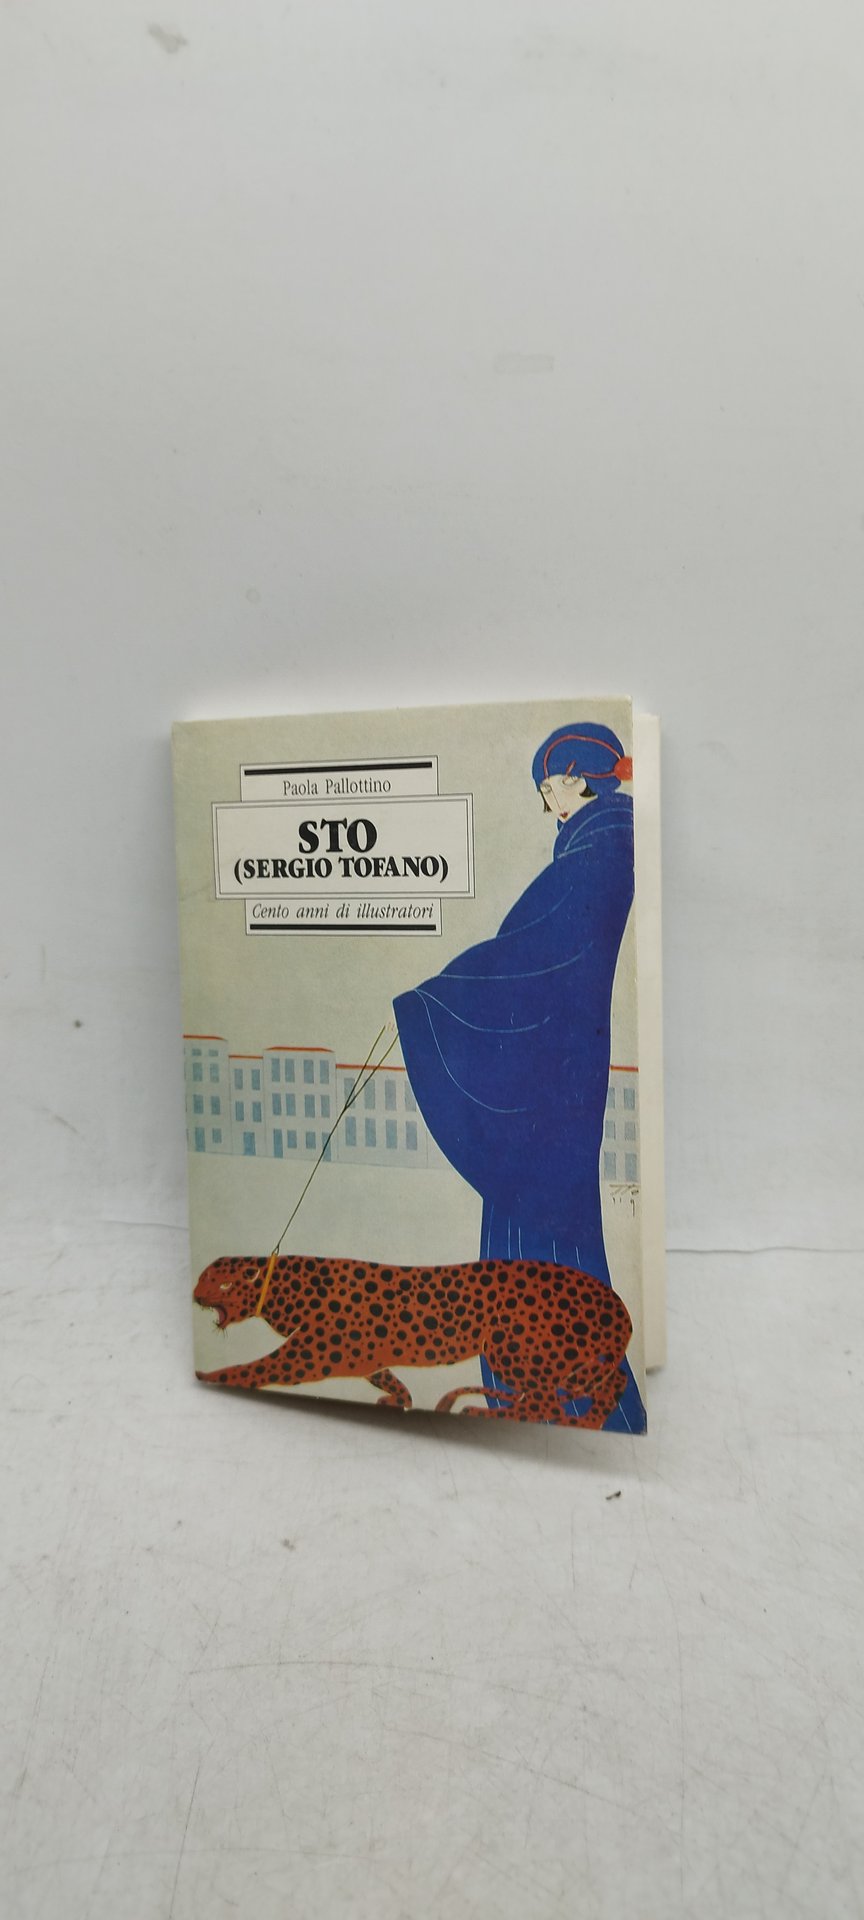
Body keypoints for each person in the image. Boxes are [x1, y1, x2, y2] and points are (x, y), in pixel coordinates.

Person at [392, 720, 646, 1431]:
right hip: (555, 1072)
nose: (547, 804)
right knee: (542, 1235)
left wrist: (439, 996)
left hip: (552, 1082)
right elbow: (529, 953)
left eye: (550, 788)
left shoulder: (601, 852)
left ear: (579, 779)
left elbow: (532, 957)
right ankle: (556, 1398)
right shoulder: (594, 850)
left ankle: (568, 1401)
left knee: (544, 1237)